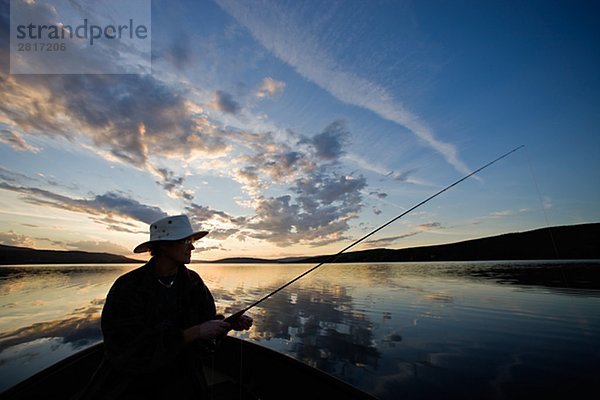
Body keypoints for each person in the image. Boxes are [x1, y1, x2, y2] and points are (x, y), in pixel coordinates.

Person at [81, 215, 252, 399]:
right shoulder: (128, 286)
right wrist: (192, 333)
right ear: (163, 245)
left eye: (192, 241)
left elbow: (204, 324)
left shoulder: (193, 281)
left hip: (185, 379)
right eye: (186, 241)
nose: (192, 246)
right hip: (134, 384)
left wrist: (228, 323)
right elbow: (125, 349)